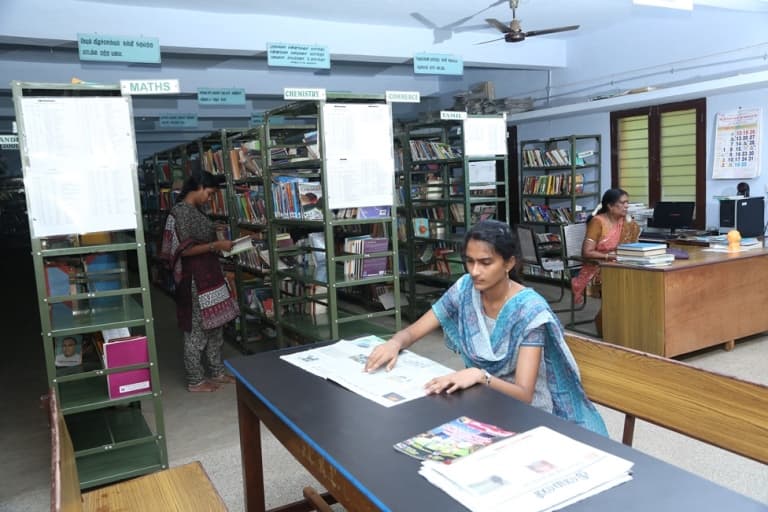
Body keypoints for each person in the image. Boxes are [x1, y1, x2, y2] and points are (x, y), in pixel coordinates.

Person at [365, 220, 608, 435]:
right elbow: (413, 331)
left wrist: (481, 375)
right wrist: (394, 343)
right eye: (469, 262)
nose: (474, 271)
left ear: (509, 263)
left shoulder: (529, 310)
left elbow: (524, 393)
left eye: (485, 262)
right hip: (481, 400)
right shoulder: (465, 290)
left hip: (526, 415)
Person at [161, 171, 240, 392]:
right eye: (210, 193)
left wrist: (215, 235)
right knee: (196, 330)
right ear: (199, 187)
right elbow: (182, 251)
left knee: (216, 327)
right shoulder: (181, 213)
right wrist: (215, 245)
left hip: (210, 274)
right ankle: (195, 380)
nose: (210, 198)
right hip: (195, 279)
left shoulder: (196, 210)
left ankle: (216, 371)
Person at [570, 188, 640, 335]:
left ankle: (628, 324)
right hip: (597, 267)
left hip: (621, 263)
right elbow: (587, 252)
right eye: (623, 203)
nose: (627, 206)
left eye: (628, 202)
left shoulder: (628, 223)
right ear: (610, 206)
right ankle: (605, 323)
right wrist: (610, 257)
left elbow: (632, 246)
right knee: (621, 284)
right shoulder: (598, 221)